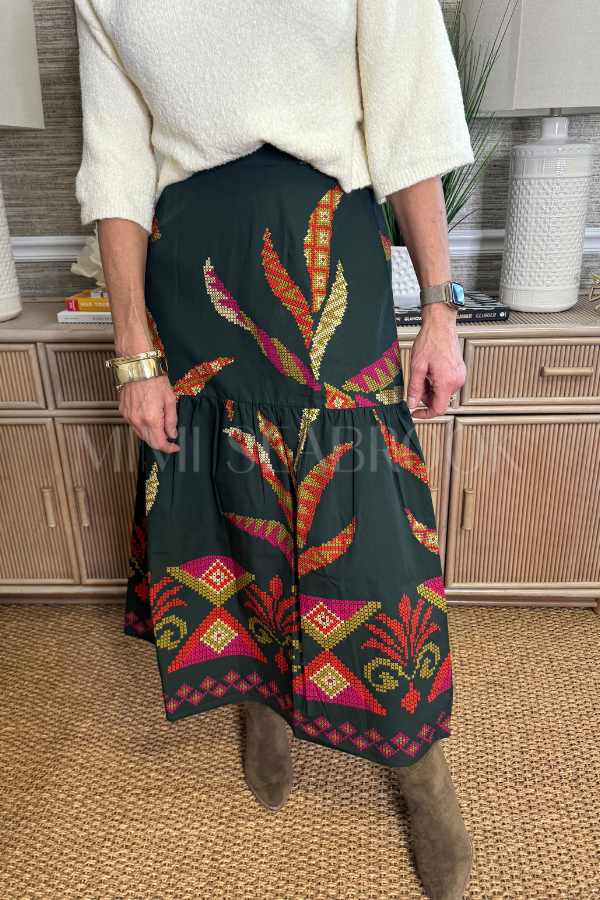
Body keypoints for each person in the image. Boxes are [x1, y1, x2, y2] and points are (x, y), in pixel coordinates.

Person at [74, 2, 474, 898]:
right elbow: (117, 162)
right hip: (191, 273)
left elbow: (408, 119)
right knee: (232, 511)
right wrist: (134, 349)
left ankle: (421, 770)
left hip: (328, 251)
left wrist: (440, 310)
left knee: (373, 540)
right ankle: (264, 698)